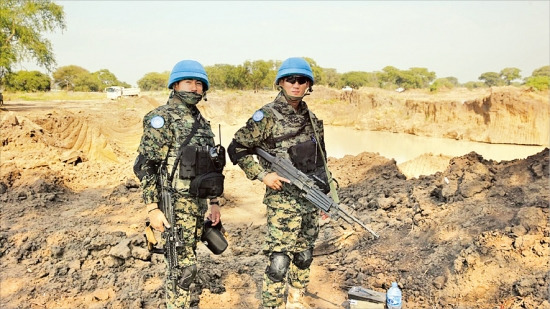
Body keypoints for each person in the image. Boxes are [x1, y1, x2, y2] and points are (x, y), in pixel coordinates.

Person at [228, 57, 329, 309]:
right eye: (290, 80)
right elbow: (236, 147)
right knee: (279, 261)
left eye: (301, 80)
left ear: (309, 85)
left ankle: (296, 299)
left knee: (304, 255)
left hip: (309, 199)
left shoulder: (313, 120)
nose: (296, 85)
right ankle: (272, 305)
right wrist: (263, 175)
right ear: (280, 83)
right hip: (283, 200)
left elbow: (322, 162)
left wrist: (326, 199)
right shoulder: (266, 116)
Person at [133, 59, 225, 309]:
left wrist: (213, 203)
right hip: (173, 206)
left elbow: (209, 167)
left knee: (188, 264)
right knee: (182, 271)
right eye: (189, 82)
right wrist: (152, 209)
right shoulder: (160, 119)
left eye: (199, 84)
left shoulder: (202, 122)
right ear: (174, 85)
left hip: (196, 206)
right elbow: (145, 166)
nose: (195, 88)